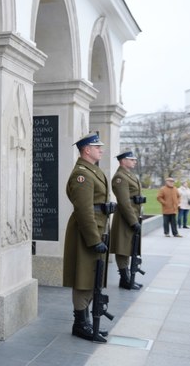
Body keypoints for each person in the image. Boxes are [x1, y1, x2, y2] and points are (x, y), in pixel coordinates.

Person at [63, 132, 112, 342]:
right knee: (84, 278)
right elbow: (84, 210)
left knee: (92, 277)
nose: (101, 150)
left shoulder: (92, 171)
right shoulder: (81, 174)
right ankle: (80, 323)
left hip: (97, 229)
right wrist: (94, 239)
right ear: (87, 150)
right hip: (87, 232)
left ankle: (85, 322)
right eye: (98, 147)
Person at [110, 150, 144, 290]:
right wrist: (133, 221)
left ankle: (128, 278)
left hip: (133, 215)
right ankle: (125, 279)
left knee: (129, 247)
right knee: (123, 248)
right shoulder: (120, 177)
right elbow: (124, 202)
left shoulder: (128, 175)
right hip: (125, 217)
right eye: (131, 159)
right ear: (123, 161)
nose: (134, 161)